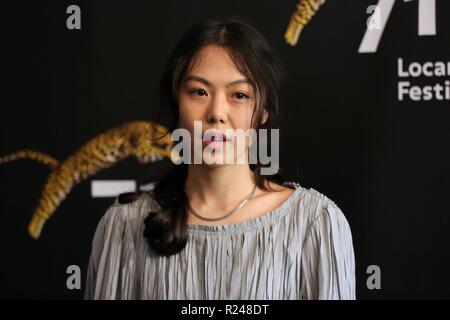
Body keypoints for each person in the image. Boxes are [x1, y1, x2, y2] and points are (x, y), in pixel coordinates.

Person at [84, 16, 355, 300]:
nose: (216, 112)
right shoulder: (124, 225)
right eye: (199, 92)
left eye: (239, 94)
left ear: (263, 111)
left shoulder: (314, 224)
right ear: (177, 103)